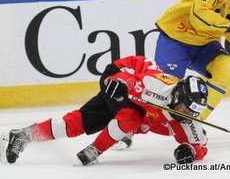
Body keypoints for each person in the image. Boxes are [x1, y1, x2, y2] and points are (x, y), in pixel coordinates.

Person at [0, 56, 209, 166]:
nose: (187, 113)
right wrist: (119, 84)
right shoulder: (157, 88)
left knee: (75, 124)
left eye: (193, 111)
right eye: (186, 107)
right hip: (119, 74)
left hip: (136, 101)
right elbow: (130, 82)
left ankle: (24, 135)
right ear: (178, 95)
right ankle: (96, 149)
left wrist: (190, 152)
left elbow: (200, 147)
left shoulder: (188, 120)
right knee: (130, 118)